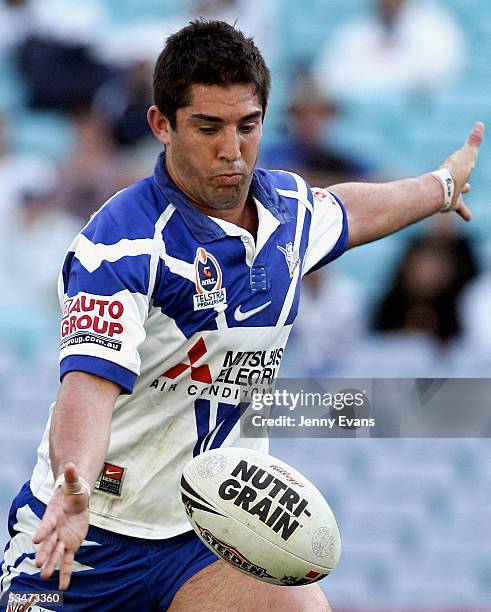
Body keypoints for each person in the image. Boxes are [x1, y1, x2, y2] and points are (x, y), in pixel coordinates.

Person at [0, 19, 484, 612]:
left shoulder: (288, 213)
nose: (232, 150)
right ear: (161, 124)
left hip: (206, 533)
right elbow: (87, 391)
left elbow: (351, 211)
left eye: (247, 125)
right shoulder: (121, 248)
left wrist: (439, 186)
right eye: (208, 127)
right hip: (87, 532)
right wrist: (73, 485)